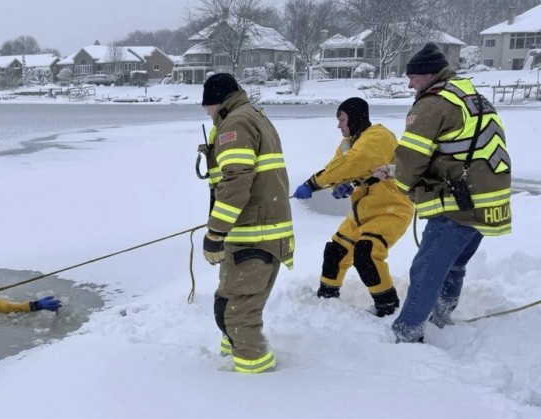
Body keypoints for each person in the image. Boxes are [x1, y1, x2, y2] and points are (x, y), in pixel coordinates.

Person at [385, 43, 511, 343]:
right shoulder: (470, 96)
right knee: (453, 264)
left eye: (412, 77)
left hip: (459, 200)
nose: (409, 83)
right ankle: (441, 318)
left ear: (428, 75)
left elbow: (412, 155)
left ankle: (408, 331)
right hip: (486, 196)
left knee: (428, 267)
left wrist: (399, 185)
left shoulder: (433, 103)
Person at [200, 73, 295, 373]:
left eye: (206, 107)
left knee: (238, 315)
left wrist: (215, 231)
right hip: (251, 231)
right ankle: (235, 357)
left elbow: (236, 182)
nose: (205, 114)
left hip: (256, 234)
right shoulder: (251, 115)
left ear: (215, 102)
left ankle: (253, 378)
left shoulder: (236, 124)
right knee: (227, 303)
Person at [292, 97, 413, 317]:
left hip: (391, 210)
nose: (339, 125)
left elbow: (355, 162)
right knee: (336, 252)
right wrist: (338, 186)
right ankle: (326, 299)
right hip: (361, 215)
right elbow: (336, 168)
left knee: (366, 253)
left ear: (356, 118)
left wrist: (313, 182)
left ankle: (388, 308)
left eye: (342, 119)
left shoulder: (378, 136)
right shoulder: (348, 143)